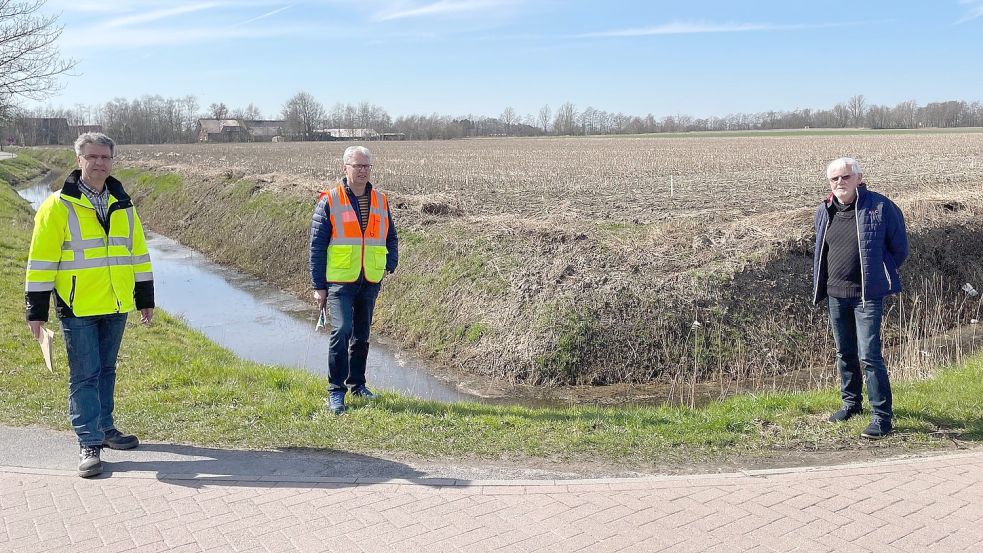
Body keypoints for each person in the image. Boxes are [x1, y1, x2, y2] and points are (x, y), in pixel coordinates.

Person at [25, 132, 155, 477]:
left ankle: (106, 428)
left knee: (107, 370)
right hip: (77, 304)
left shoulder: (123, 202)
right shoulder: (57, 205)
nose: (99, 163)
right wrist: (35, 311)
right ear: (79, 160)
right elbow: (40, 260)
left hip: (115, 304)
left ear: (112, 161)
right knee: (85, 375)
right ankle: (89, 443)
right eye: (92, 157)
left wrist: (145, 298)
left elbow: (138, 253)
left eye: (105, 157)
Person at [812, 157, 908, 439]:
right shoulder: (824, 209)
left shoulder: (880, 206)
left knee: (870, 356)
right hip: (835, 294)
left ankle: (881, 417)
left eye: (845, 177)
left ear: (858, 178)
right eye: (834, 179)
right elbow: (821, 249)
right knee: (845, 353)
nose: (840, 183)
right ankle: (851, 404)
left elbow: (899, 248)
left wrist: (879, 273)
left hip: (866, 296)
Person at [310, 145, 398, 414]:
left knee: (361, 335)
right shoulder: (330, 200)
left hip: (370, 279)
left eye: (366, 166)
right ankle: (336, 392)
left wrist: (389, 264)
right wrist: (318, 286)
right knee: (342, 330)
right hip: (339, 281)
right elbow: (316, 245)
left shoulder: (380, 201)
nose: (362, 171)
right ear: (345, 168)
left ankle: (357, 385)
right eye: (357, 166)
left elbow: (390, 236)